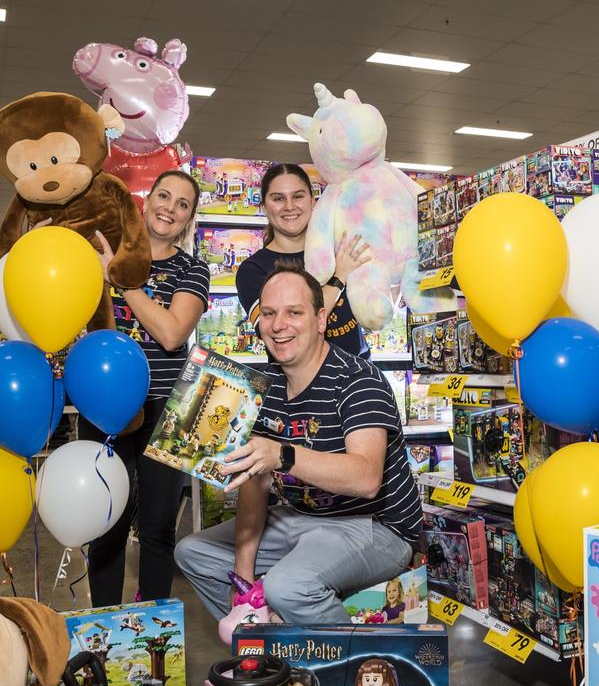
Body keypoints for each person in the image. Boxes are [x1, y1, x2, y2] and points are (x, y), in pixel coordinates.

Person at [174, 265, 417, 623]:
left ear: (321, 319)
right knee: (192, 552)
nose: (278, 325)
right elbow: (255, 486)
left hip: (375, 526)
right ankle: (268, 643)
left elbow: (366, 478)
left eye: (294, 313)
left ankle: (348, 670)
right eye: (269, 313)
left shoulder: (359, 379)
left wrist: (281, 455)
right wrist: (243, 583)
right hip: (301, 517)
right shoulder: (260, 386)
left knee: (288, 586)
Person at [86, 169, 210, 606]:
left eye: (182, 204)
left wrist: (121, 280)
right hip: (103, 408)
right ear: (146, 200)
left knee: (158, 528)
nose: (169, 208)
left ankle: (158, 637)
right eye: (164, 195)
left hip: (169, 410)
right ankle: (103, 634)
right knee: (106, 525)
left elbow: (173, 333)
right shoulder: (100, 253)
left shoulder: (192, 269)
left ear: (189, 219)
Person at [235, 163, 372, 359]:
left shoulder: (341, 250)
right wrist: (339, 277)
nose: (289, 206)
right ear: (264, 206)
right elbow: (283, 329)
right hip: (298, 385)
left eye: (298, 196)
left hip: (359, 376)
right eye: (278, 199)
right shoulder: (252, 271)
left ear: (313, 201)